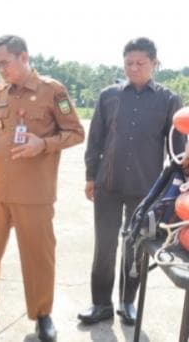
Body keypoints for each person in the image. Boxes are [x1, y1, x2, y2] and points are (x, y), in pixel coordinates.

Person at [0, 35, 84, 341]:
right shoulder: (2, 92)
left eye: (5, 63)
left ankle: (42, 314)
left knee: (38, 256)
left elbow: (76, 132)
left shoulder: (52, 90)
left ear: (24, 57)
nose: (1, 69)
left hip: (34, 193)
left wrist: (43, 144)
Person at [78, 37, 184, 326]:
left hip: (147, 190)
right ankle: (100, 304)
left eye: (141, 63)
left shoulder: (169, 100)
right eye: (129, 63)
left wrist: (175, 190)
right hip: (107, 185)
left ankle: (127, 302)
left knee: (135, 245)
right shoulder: (108, 96)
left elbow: (178, 150)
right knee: (105, 246)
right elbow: (96, 140)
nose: (134, 68)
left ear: (154, 63)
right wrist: (91, 176)